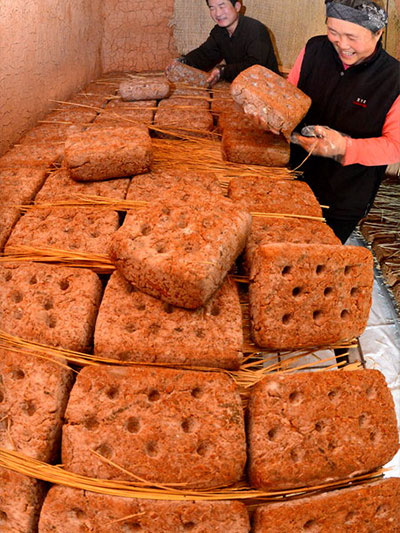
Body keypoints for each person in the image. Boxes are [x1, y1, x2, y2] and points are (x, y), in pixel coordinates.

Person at [289, 0, 400, 244]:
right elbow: (288, 98)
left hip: (344, 195)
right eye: (334, 32)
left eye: (352, 36)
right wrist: (272, 114)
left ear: (378, 32)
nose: (342, 45)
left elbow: (394, 146)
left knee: (315, 258)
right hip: (293, 178)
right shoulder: (314, 49)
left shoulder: (394, 79)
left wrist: (343, 147)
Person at [170, 0, 279, 86]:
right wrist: (183, 62)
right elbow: (205, 55)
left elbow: (256, 67)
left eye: (222, 6)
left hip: (268, 88)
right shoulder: (219, 31)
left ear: (237, 7)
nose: (217, 13)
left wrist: (223, 71)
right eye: (212, 8)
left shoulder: (256, 29)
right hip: (241, 87)